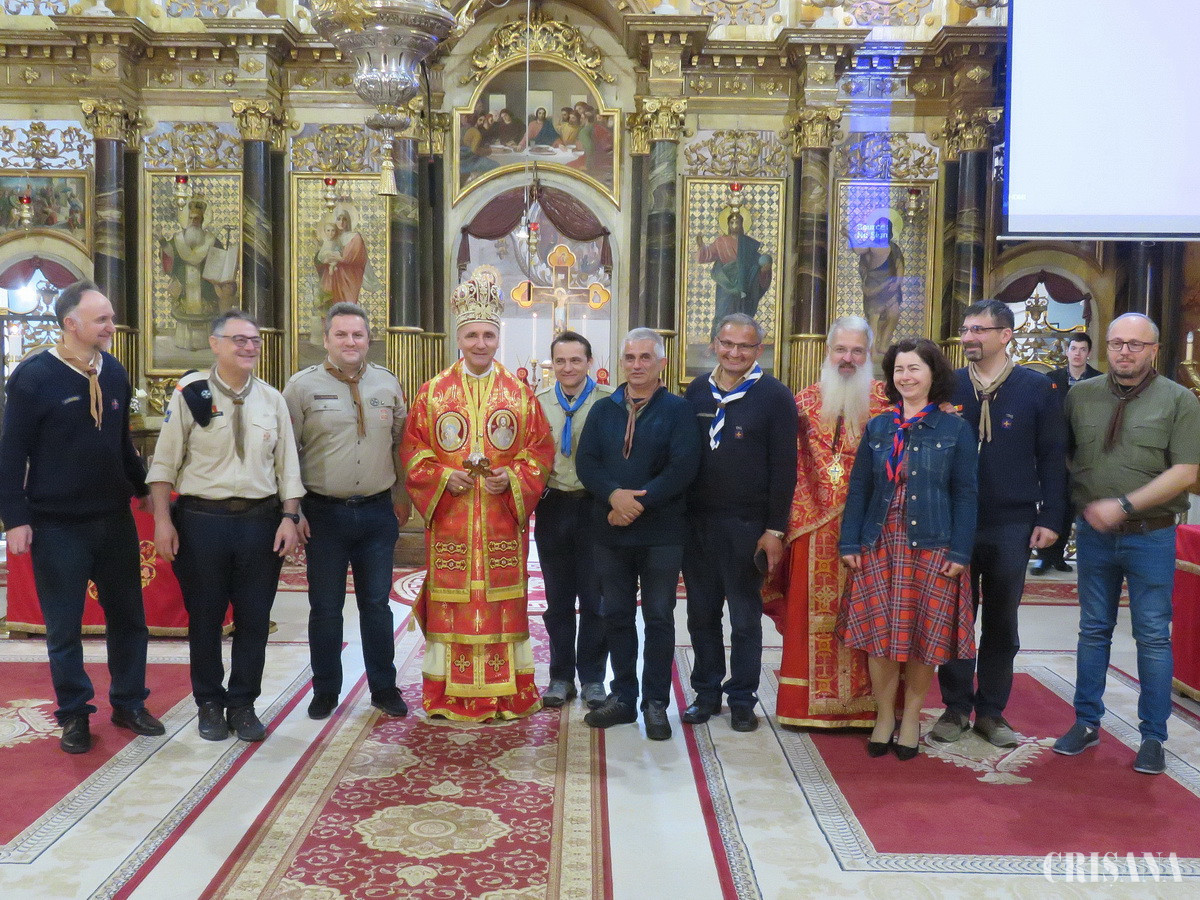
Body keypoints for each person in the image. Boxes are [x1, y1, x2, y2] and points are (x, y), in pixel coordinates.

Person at [0, 280, 165, 754]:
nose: (112, 326)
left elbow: (120, 441)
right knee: (64, 627)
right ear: (71, 324)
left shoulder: (113, 371)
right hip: (57, 524)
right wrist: (15, 518)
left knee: (129, 619)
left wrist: (142, 489)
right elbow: (11, 452)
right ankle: (74, 714)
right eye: (102, 319)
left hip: (113, 520)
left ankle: (129, 702)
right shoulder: (33, 377)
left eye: (111, 317)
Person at [399, 269, 554, 721]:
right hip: (452, 523)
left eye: (488, 335)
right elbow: (413, 450)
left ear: (498, 337)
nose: (480, 343)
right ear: (459, 338)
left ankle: (507, 694)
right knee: (455, 605)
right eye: (472, 335)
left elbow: (540, 452)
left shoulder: (520, 395)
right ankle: (447, 694)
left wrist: (513, 477)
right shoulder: (433, 393)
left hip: (500, 522)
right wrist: (444, 478)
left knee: (500, 604)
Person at [1053, 313, 1200, 775]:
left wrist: (1124, 504)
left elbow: (1186, 472)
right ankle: (1086, 723)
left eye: (1136, 344)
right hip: (1095, 536)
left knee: (1152, 635)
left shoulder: (1179, 400)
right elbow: (1064, 452)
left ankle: (1153, 737)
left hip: (1151, 534)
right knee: (1093, 629)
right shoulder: (1081, 396)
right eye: (1117, 343)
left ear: (1154, 350)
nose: (1124, 351)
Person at [148, 310, 304, 743]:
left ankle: (243, 704)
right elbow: (164, 463)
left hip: (259, 522)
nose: (249, 347)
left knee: (254, 619)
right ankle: (209, 703)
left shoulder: (272, 399)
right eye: (239, 340)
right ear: (215, 344)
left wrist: (289, 517)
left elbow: (288, 466)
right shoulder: (191, 394)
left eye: (254, 341)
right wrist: (162, 521)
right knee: (205, 618)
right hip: (202, 522)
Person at [931, 299, 1067, 749]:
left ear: (1005, 335)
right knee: (955, 618)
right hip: (954, 521)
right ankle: (955, 706)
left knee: (1002, 620)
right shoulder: (948, 385)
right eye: (965, 329)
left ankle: (991, 711)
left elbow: (1053, 457)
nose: (968, 337)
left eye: (979, 330)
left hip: (1012, 520)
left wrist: (1051, 517)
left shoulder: (1037, 388)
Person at [837, 338, 978, 760]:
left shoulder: (954, 428)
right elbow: (859, 488)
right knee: (879, 636)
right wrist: (850, 541)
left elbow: (966, 495)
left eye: (914, 368)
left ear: (933, 375)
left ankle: (912, 719)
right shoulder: (880, 427)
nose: (906, 377)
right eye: (899, 369)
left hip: (933, 545)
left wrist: (960, 552)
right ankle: (884, 717)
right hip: (879, 542)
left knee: (923, 638)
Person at [283, 302, 411, 722]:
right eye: (341, 334)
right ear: (326, 339)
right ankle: (325, 690)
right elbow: (286, 453)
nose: (350, 341)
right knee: (325, 608)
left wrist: (402, 496)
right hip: (323, 515)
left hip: (376, 513)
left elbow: (400, 443)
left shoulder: (387, 383)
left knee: (377, 605)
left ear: (368, 339)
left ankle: (384, 687)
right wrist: (293, 511)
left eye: (357, 334)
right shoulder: (301, 387)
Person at [762, 316, 889, 728]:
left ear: (869, 354)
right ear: (828, 352)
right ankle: (803, 707)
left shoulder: (888, 403)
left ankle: (872, 706)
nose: (847, 358)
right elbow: (789, 465)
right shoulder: (802, 403)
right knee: (809, 620)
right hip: (812, 527)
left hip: (872, 532)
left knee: (872, 616)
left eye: (857, 351)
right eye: (841, 350)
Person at [576, 329, 701, 740]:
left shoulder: (678, 410)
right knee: (616, 615)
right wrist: (614, 495)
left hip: (662, 533)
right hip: (610, 532)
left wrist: (635, 504)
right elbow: (587, 463)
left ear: (661, 363)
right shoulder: (603, 410)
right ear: (621, 362)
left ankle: (656, 703)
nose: (637, 365)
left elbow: (683, 468)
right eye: (630, 357)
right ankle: (624, 697)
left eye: (646, 357)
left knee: (659, 617)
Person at [681, 313, 797, 733]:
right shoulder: (697, 391)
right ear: (714, 344)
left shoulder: (775, 396)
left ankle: (743, 698)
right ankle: (706, 692)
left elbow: (785, 469)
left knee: (745, 619)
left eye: (745, 346)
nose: (734, 353)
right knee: (701, 614)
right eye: (727, 344)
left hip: (748, 526)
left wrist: (775, 529)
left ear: (758, 350)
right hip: (698, 524)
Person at [534, 330, 613, 710]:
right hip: (553, 507)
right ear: (552, 364)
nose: (568, 368)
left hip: (595, 507)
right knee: (558, 598)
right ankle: (560, 676)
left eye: (575, 360)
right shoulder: (537, 404)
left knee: (595, 600)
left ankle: (593, 678)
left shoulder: (609, 401)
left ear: (589, 362)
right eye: (560, 361)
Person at [1034, 332, 1102, 575]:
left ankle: (1059, 555)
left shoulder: (1099, 380)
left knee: (1074, 504)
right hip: (1055, 448)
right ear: (1067, 351)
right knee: (1054, 500)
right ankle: (1044, 557)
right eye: (1073, 348)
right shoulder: (1052, 379)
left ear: (1088, 353)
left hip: (1085, 449)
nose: (1077, 354)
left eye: (1082, 349)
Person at [695, 210, 773, 339]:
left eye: (738, 222)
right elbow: (707, 255)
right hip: (726, 283)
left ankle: (742, 340)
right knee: (722, 312)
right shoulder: (721, 242)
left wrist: (765, 268)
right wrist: (701, 246)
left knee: (743, 315)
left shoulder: (749, 243)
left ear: (742, 224)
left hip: (745, 284)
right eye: (732, 222)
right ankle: (716, 340)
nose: (735, 225)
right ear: (728, 224)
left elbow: (757, 262)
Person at [849, 216, 903, 358]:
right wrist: (849, 235)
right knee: (874, 318)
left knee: (894, 314)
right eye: (879, 229)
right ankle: (871, 350)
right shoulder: (870, 245)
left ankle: (883, 343)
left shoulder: (894, 248)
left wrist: (897, 283)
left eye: (884, 229)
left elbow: (899, 265)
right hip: (874, 285)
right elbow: (858, 250)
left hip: (890, 285)